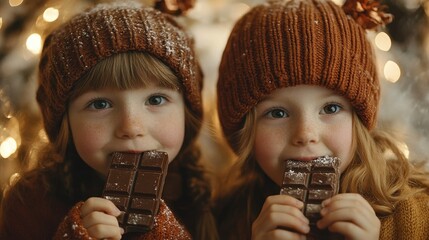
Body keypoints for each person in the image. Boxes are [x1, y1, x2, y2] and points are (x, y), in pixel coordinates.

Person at [0, 2, 219, 240]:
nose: (131, 128)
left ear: (187, 114)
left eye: (156, 100)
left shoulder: (213, 200)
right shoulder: (31, 206)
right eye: (100, 104)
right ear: (65, 123)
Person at [214, 0, 429, 239]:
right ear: (245, 130)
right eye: (277, 113)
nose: (305, 134)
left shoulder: (416, 212)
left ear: (358, 119)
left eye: (331, 107)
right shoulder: (224, 221)